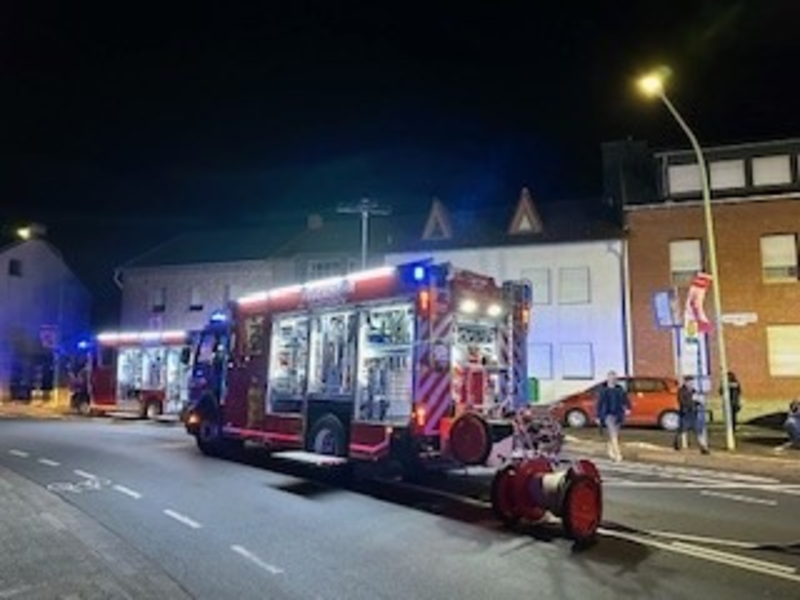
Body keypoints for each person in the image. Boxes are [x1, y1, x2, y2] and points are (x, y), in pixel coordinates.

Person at [595, 370, 631, 462]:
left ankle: (610, 449)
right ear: (607, 379)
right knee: (613, 434)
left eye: (614, 378)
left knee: (614, 434)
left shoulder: (620, 389)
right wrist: (597, 416)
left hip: (618, 415)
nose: (612, 379)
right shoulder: (603, 390)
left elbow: (626, 400)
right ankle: (617, 454)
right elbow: (599, 404)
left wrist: (628, 408)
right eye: (610, 378)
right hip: (607, 415)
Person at [674, 375, 710, 454]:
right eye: (689, 382)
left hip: (693, 414)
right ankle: (677, 443)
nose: (691, 384)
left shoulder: (693, 390)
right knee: (682, 430)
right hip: (685, 413)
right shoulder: (681, 391)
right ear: (686, 382)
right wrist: (692, 402)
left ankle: (703, 448)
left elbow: (696, 399)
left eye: (692, 382)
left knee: (698, 431)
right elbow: (682, 402)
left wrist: (699, 402)